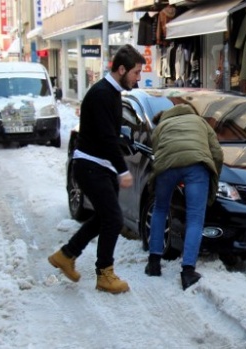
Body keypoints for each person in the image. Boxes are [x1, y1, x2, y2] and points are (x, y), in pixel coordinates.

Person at [48, 44, 145, 294]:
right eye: (136, 72)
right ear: (121, 69)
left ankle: (66, 255)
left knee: (104, 218)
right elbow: (105, 138)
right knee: (113, 219)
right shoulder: (102, 94)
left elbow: (111, 134)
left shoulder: (111, 94)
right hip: (91, 166)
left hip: (100, 166)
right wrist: (123, 170)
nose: (138, 78)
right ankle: (105, 274)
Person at [145, 104, 223, 290]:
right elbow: (217, 153)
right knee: (195, 218)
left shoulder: (161, 126)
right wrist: (214, 177)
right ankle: (188, 272)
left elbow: (156, 152)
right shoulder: (201, 122)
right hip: (196, 167)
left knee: (160, 209)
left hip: (166, 168)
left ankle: (154, 263)